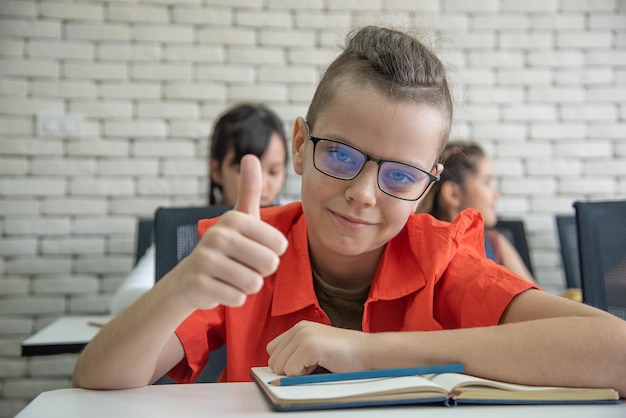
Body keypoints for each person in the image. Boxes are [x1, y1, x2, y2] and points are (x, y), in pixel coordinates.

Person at [74, 26, 626, 396]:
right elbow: (98, 377)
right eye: (339, 153)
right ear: (298, 144)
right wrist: (182, 288)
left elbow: (616, 352)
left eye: (401, 174)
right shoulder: (251, 252)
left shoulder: (440, 258)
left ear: (428, 185)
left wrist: (368, 352)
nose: (364, 193)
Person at [109, 103, 289, 314]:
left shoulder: (296, 222)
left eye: (274, 172)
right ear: (216, 170)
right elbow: (122, 302)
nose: (261, 184)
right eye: (243, 170)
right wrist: (185, 284)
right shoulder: (186, 230)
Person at [416, 141, 536, 284]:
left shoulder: (495, 243)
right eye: (487, 182)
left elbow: (539, 300)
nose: (496, 194)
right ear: (453, 193)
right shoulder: (420, 251)